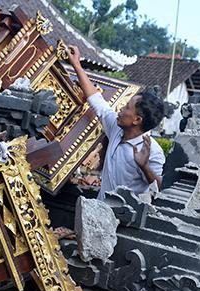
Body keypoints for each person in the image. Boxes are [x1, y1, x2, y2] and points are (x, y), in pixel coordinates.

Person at [67, 45, 166, 200]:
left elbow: (159, 186)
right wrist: (77, 65)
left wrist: (144, 166)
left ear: (137, 120)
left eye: (127, 107)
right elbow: (97, 101)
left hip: (123, 219)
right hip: (97, 211)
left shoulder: (153, 151)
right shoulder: (116, 128)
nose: (120, 109)